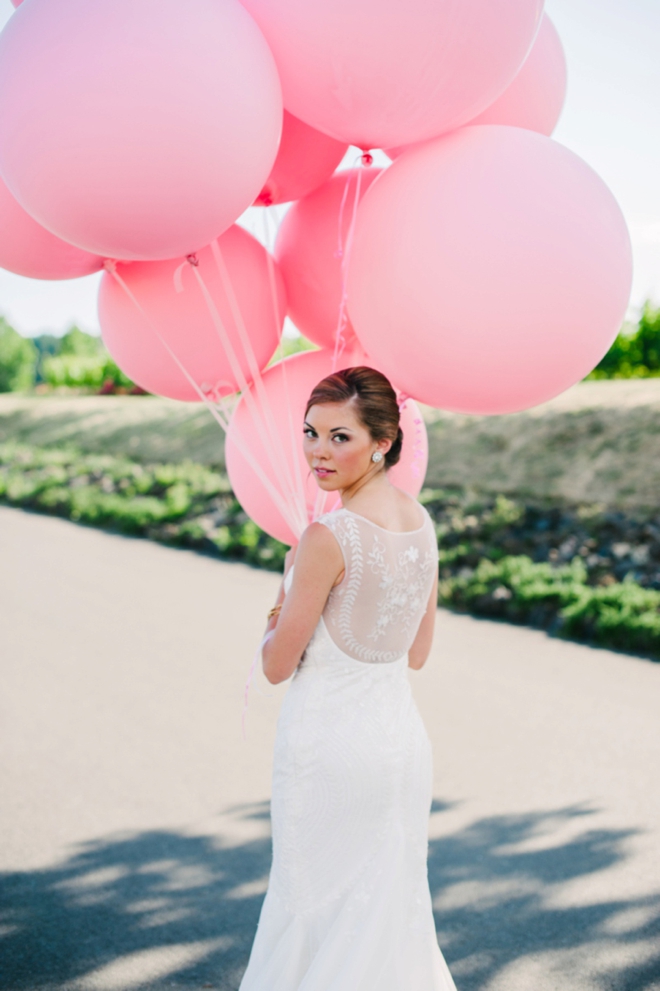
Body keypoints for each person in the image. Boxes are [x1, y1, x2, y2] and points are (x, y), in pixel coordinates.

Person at [239, 366, 457, 990]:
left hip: (327, 750)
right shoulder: (423, 526)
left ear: (383, 442)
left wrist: (283, 590)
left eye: (340, 437)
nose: (317, 452)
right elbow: (416, 654)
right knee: (389, 923)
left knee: (309, 914)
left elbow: (277, 666)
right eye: (311, 433)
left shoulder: (325, 538)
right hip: (400, 749)